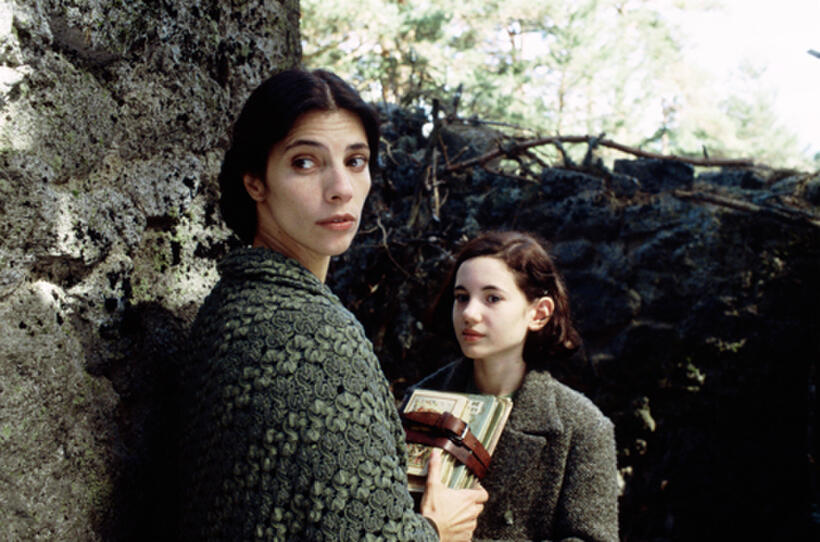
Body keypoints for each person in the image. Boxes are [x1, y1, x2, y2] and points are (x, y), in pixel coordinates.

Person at [177, 68, 487, 541]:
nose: (341, 187)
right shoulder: (308, 331)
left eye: (356, 160)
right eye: (305, 162)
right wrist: (437, 529)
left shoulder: (235, 303)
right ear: (255, 181)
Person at [404, 231, 619, 541]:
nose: (469, 313)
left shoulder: (583, 427)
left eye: (492, 298)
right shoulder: (418, 404)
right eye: (462, 297)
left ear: (539, 313)